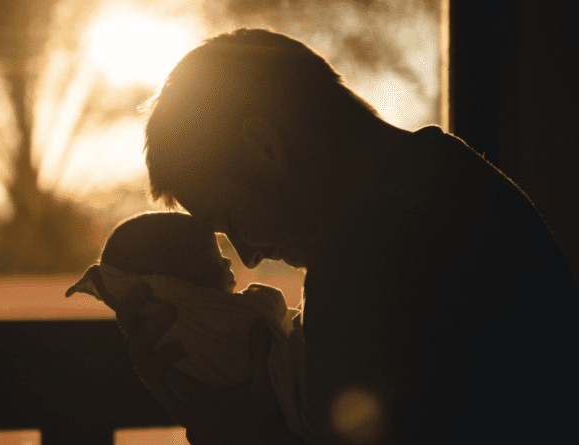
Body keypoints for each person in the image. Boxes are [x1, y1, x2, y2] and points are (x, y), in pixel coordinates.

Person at [114, 28, 578, 444]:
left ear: (265, 148)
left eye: (230, 219)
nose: (249, 257)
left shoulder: (367, 255)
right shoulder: (461, 184)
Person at [66, 212, 310, 441]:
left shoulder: (166, 341)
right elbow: (266, 311)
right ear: (170, 284)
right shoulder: (204, 323)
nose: (231, 258)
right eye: (209, 256)